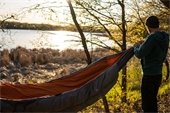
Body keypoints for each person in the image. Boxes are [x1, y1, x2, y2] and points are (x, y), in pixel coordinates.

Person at [134, 16, 169, 112]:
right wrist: (145, 42)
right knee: (153, 102)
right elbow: (154, 48)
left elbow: (140, 54)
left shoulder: (152, 38)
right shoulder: (165, 37)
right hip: (158, 74)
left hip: (149, 76)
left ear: (148, 27)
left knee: (147, 106)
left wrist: (136, 46)